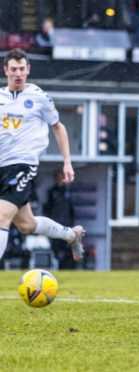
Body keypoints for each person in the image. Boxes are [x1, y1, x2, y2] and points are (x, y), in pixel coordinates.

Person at [0, 49, 85, 265]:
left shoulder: (39, 97)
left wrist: (67, 162)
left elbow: (58, 127)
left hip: (22, 165)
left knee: (2, 217)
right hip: (1, 166)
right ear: (5, 71)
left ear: (28, 69)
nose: (18, 73)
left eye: (21, 69)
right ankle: (71, 235)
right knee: (26, 224)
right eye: (13, 69)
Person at [44, 169, 76, 269]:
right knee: (55, 249)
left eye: (63, 176)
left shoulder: (68, 192)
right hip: (54, 225)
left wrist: (71, 223)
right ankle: (55, 267)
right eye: (59, 176)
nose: (61, 178)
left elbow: (72, 210)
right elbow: (47, 209)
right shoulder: (51, 192)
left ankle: (68, 268)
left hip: (67, 225)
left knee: (68, 249)